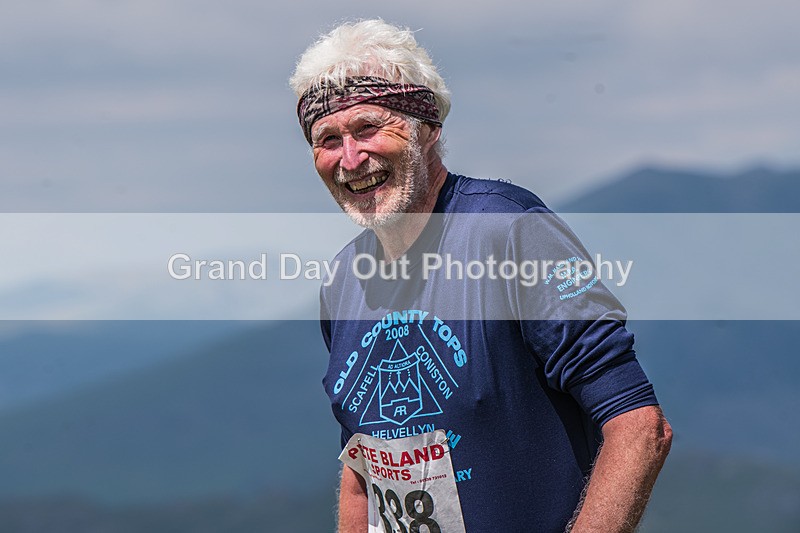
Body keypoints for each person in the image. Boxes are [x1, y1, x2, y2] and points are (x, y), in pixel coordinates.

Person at [290, 19, 672, 533]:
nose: (351, 159)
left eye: (368, 128)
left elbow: (638, 426)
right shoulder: (343, 282)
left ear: (428, 128)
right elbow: (363, 468)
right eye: (328, 139)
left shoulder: (507, 228)